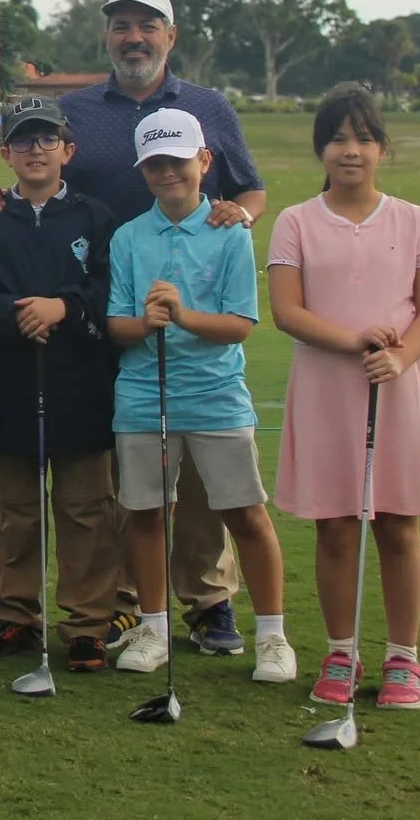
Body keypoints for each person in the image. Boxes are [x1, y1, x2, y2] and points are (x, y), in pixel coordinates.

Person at [0, 0, 266, 655]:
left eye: (147, 25)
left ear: (170, 35)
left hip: (186, 303)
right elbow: (47, 174)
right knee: (124, 470)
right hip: (104, 306)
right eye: (121, 26)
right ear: (107, 35)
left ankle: (207, 598)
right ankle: (128, 605)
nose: (133, 37)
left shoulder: (207, 107)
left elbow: (248, 184)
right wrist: (5, 201)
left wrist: (238, 215)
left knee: (197, 470)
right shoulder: (79, 109)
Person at [267, 83, 420, 712]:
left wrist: (401, 356)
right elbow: (287, 311)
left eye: (362, 138)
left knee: (399, 525)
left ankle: (404, 659)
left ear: (383, 148)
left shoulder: (414, 220)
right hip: (327, 388)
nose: (349, 150)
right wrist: (356, 340)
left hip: (398, 384)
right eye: (336, 138)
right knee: (334, 526)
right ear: (320, 150)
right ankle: (341, 651)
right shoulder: (295, 221)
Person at [106, 108, 295, 685]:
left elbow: (240, 323)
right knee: (144, 513)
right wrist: (146, 323)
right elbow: (116, 324)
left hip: (215, 395)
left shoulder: (229, 232)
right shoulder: (128, 236)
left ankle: (272, 637)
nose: (168, 173)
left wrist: (182, 316)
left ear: (204, 162)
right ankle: (155, 628)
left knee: (245, 512)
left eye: (178, 161)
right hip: (142, 394)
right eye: (155, 163)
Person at [0, 96, 123, 673]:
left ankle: (87, 623)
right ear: (5, 153)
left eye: (47, 139)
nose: (35, 149)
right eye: (23, 140)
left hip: (81, 383)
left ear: (67, 151)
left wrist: (64, 308)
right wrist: (16, 314)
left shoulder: (96, 219)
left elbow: (109, 293)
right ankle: (14, 615)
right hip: (10, 383)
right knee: (15, 510)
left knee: (85, 509)